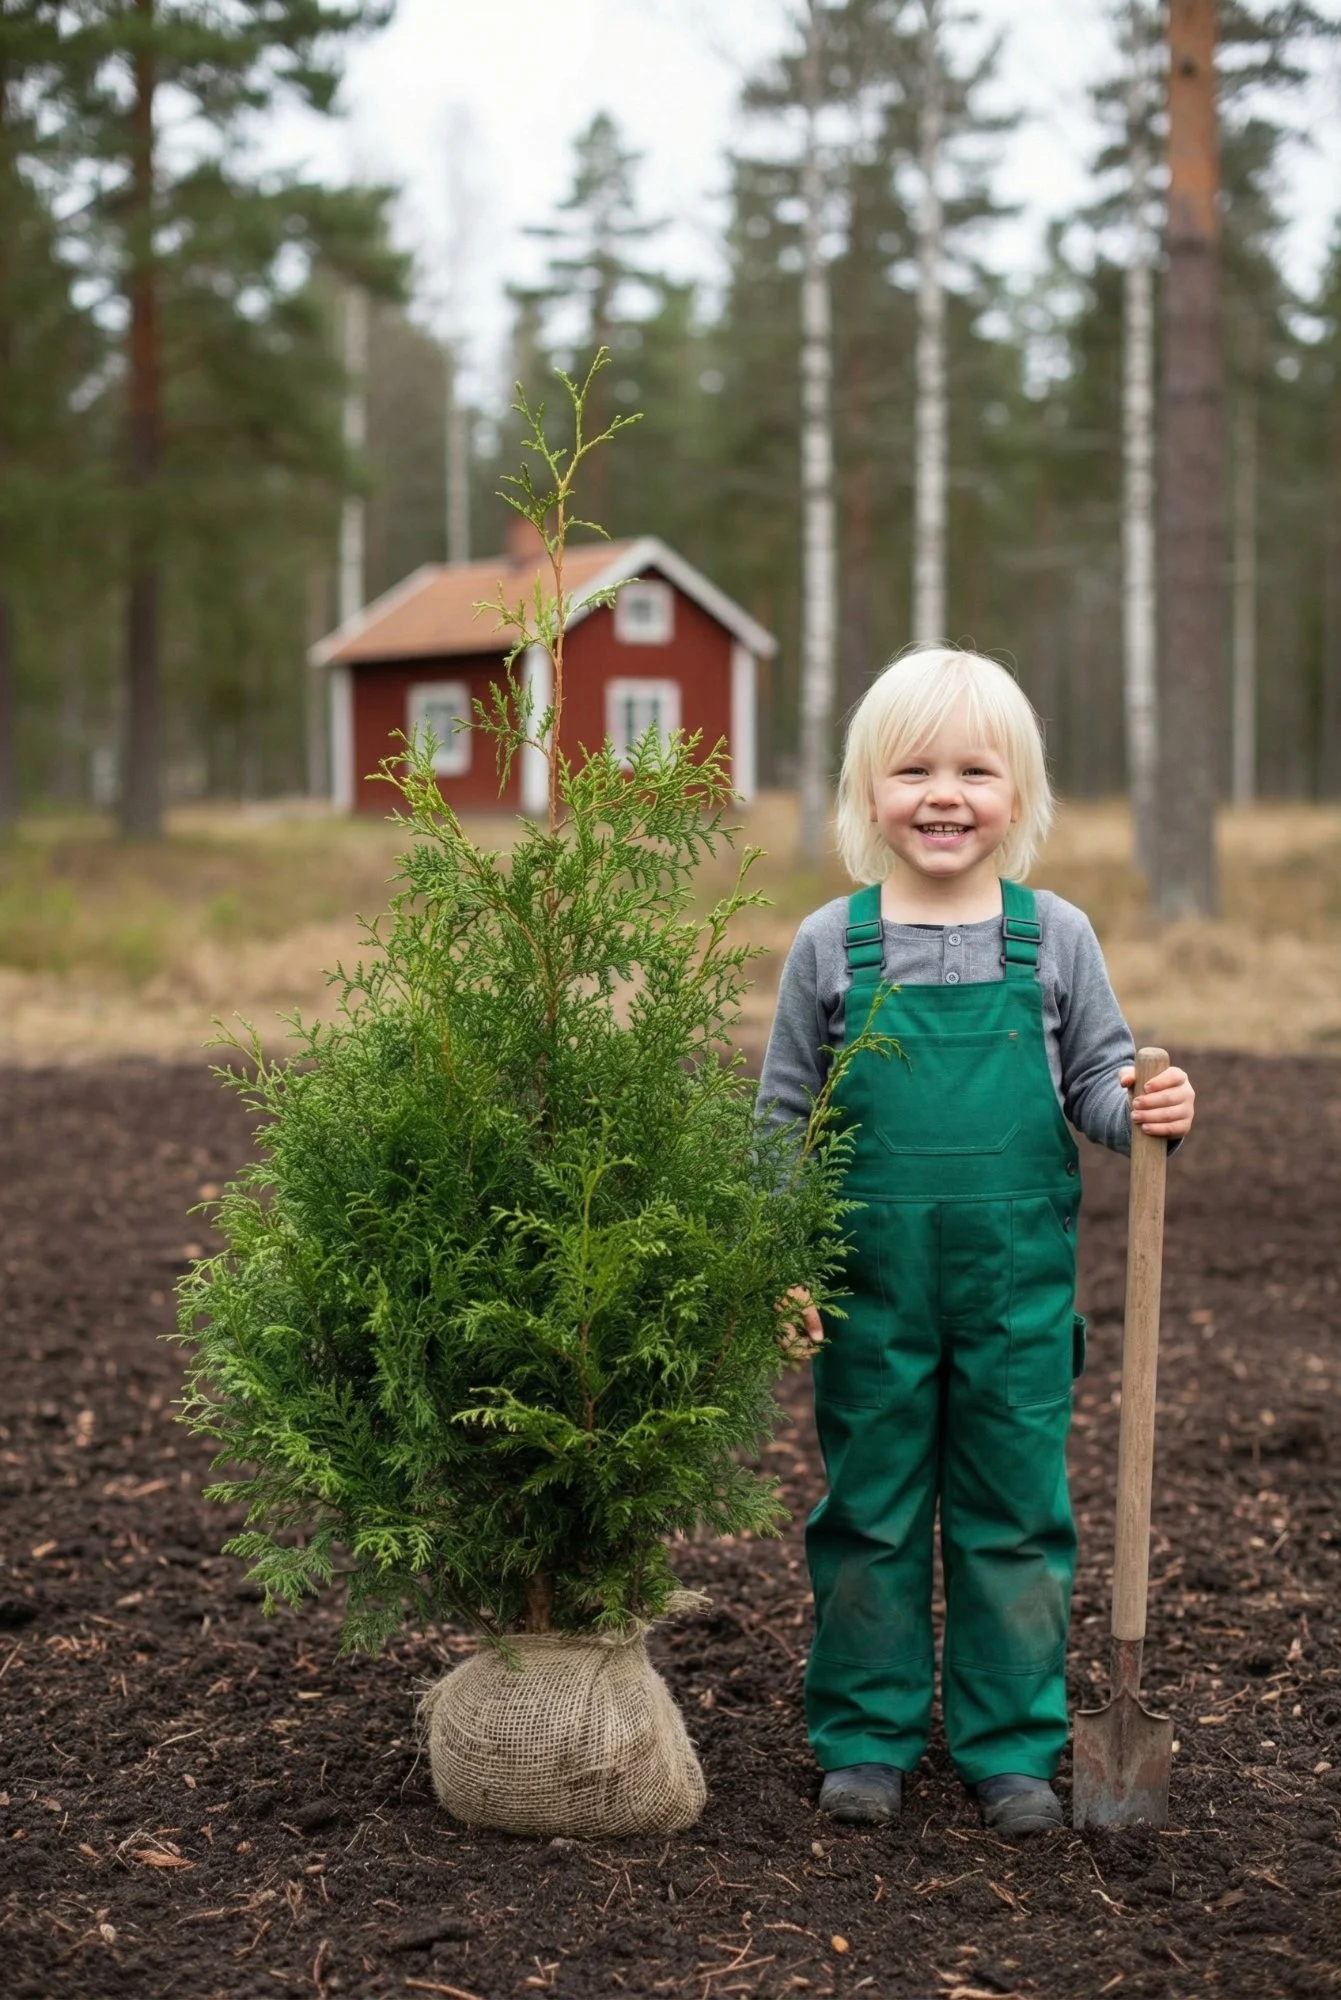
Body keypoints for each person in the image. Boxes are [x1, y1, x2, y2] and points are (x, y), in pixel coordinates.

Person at [759, 645, 1195, 1838]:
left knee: (1015, 1515)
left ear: (1021, 793)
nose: (943, 794)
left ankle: (1013, 1747)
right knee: (870, 1514)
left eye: (975, 770)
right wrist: (779, 1257)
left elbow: (1099, 1085)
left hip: (1012, 1301)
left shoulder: (1052, 937)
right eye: (912, 769)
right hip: (869, 1296)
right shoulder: (826, 947)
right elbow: (780, 1121)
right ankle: (865, 1738)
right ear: (865, 793)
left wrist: (1145, 1107)